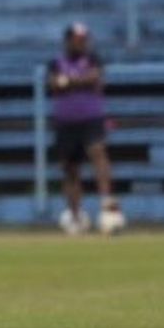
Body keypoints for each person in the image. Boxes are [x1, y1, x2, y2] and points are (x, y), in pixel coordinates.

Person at [49, 22, 125, 235]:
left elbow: (94, 78)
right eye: (77, 40)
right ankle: (75, 214)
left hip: (91, 118)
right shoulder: (57, 62)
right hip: (66, 122)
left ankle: (107, 203)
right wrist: (78, 81)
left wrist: (69, 81)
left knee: (98, 153)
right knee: (70, 168)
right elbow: (54, 83)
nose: (81, 44)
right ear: (68, 41)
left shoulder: (93, 59)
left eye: (83, 40)